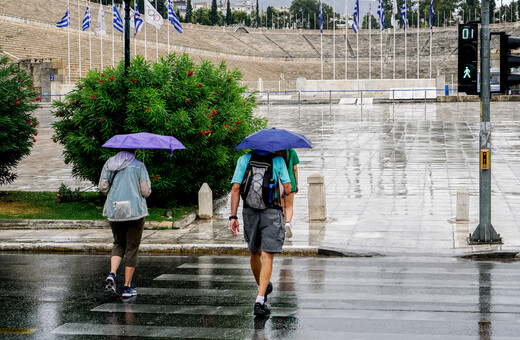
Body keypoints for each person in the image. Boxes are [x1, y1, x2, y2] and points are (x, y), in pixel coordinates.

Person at [229, 149, 291, 316]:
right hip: (272, 212)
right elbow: (287, 188)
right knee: (267, 255)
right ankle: (260, 298)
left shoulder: (244, 159)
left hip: (249, 212)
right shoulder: (278, 160)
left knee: (254, 252)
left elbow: (236, 189)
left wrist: (233, 216)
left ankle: (262, 287)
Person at [98, 149, 151, 298]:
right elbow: (145, 191)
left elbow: (103, 187)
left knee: (118, 243)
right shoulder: (139, 166)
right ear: (134, 150)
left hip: (114, 209)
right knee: (132, 248)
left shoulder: (109, 163)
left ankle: (112, 273)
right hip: (135, 210)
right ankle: (127, 287)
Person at [275, 149, 299, 239]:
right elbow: (295, 169)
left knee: (282, 206)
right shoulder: (292, 152)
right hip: (290, 182)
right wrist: (296, 184)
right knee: (289, 206)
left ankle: (283, 225)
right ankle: (288, 222)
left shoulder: (274, 152)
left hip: (279, 182)